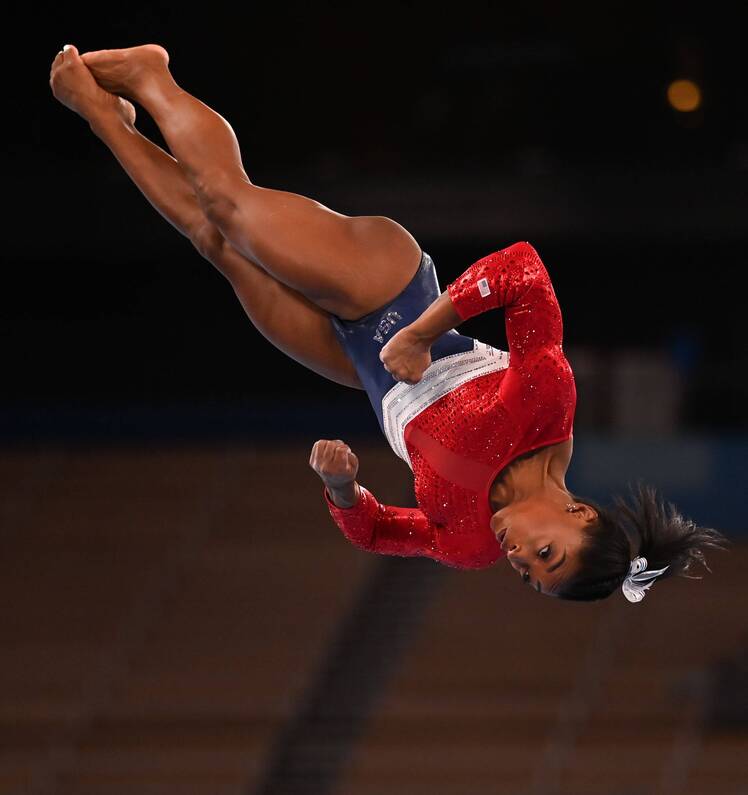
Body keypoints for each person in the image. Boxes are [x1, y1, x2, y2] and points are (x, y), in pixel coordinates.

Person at [49, 43, 729, 602]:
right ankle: (152, 77)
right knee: (229, 207)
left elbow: (378, 532)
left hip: (362, 369)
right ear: (580, 512)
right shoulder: (545, 408)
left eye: (528, 572)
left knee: (212, 242)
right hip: (393, 287)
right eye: (546, 551)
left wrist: (343, 489)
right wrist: (425, 330)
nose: (518, 554)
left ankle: (103, 116)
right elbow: (522, 272)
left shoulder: (467, 544)